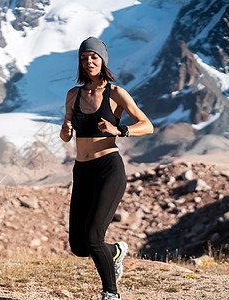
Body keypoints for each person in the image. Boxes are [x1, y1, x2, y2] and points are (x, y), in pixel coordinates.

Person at [60, 36, 154, 300]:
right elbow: (66, 135)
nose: (88, 62)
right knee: (79, 246)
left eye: (93, 57)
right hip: (82, 171)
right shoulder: (73, 95)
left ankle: (111, 293)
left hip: (108, 169)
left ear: (102, 61)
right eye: (83, 58)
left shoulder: (116, 94)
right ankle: (114, 252)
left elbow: (147, 125)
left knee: (93, 236)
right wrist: (66, 131)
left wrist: (119, 129)